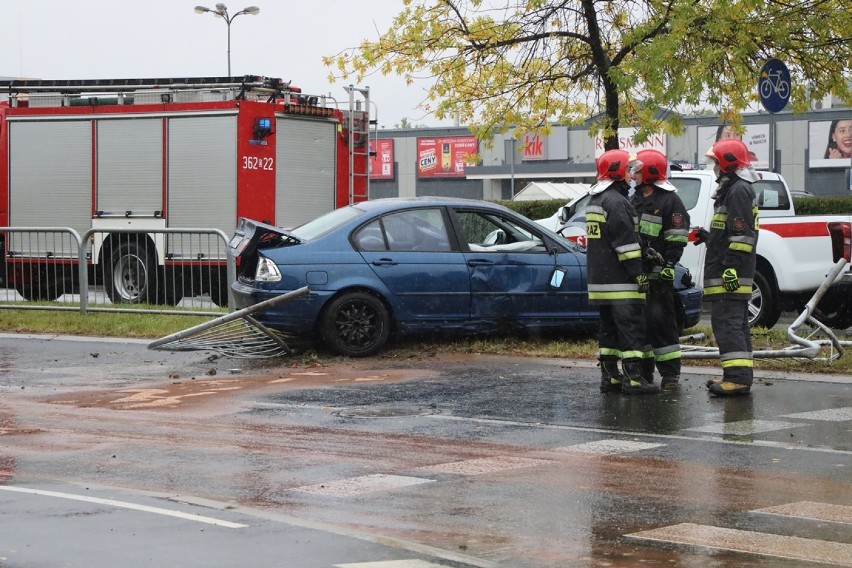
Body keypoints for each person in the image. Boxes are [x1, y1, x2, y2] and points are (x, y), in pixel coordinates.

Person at [587, 149, 659, 395]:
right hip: (622, 283)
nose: (632, 174)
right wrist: (638, 273)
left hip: (601, 282)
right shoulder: (617, 202)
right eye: (629, 169)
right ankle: (634, 379)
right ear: (617, 172)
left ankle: (610, 378)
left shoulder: (595, 200)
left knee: (608, 331)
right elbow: (625, 246)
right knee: (631, 330)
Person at [695, 139, 759, 396]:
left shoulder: (738, 191)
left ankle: (737, 379)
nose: (714, 168)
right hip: (729, 270)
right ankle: (737, 375)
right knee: (734, 323)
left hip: (730, 274)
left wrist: (730, 268)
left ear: (728, 164)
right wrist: (709, 237)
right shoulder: (733, 190)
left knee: (728, 324)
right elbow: (730, 232)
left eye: (717, 163)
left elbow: (743, 236)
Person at [629, 149, 690, 390]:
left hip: (659, 276)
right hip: (639, 276)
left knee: (663, 326)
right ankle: (645, 375)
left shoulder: (669, 200)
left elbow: (677, 237)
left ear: (650, 172)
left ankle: (671, 377)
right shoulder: (634, 200)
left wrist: (669, 265)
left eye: (638, 170)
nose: (634, 175)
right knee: (641, 328)